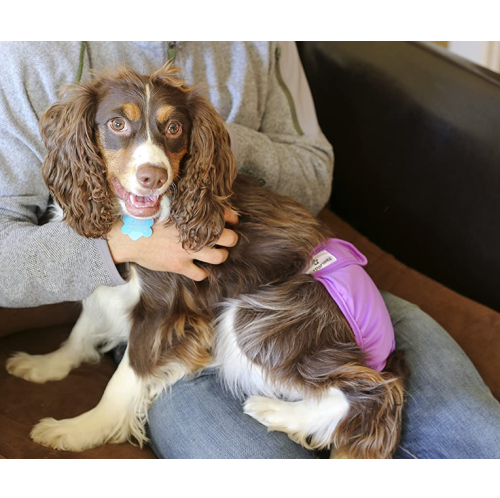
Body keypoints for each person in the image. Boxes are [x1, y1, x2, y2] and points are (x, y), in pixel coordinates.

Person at [1, 41, 499, 458]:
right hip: (169, 343)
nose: (147, 159)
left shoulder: (261, 35)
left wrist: (207, 141)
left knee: (481, 439)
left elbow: (313, 174)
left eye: (171, 129)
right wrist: (116, 245)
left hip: (307, 286)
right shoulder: (34, 50)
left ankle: (351, 403)